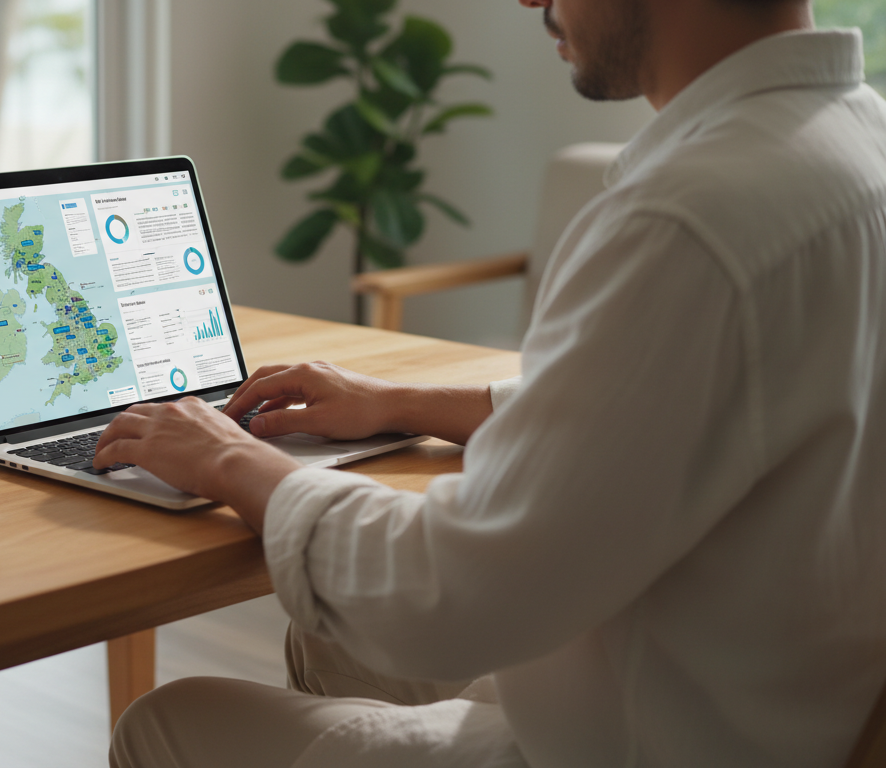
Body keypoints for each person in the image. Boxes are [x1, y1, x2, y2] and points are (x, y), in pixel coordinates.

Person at [95, 0, 886, 764]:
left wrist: (228, 457)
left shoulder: (689, 220)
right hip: (756, 698)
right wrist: (400, 401)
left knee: (163, 722)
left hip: (642, 737)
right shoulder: (857, 141)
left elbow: (448, 596)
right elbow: (659, 413)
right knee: (329, 637)